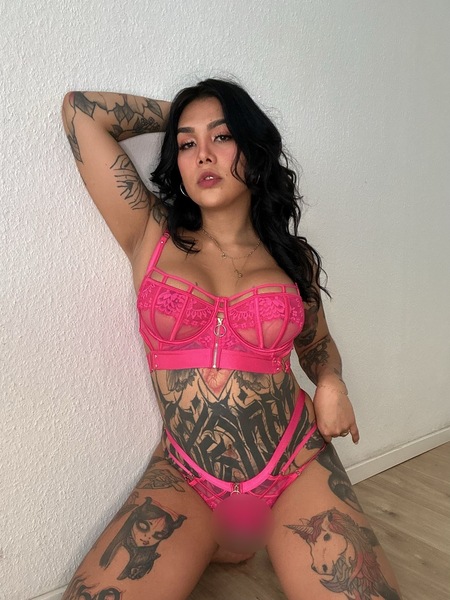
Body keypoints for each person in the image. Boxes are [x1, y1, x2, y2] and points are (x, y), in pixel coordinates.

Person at [61, 79, 402, 600]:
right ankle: (218, 541)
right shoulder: (151, 232)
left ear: (253, 150)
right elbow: (81, 113)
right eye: (187, 143)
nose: (203, 154)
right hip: (185, 474)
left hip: (293, 462)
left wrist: (332, 381)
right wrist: (182, 114)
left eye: (222, 137)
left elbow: (316, 344)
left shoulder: (292, 258)